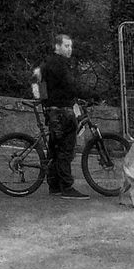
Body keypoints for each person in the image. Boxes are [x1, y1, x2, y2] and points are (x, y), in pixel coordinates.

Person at [31, 32, 89, 200]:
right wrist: (91, 95)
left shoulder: (46, 62)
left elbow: (35, 78)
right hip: (63, 111)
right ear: (57, 47)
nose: (70, 49)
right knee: (65, 149)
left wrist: (43, 100)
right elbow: (70, 86)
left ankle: (54, 185)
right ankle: (66, 187)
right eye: (66, 46)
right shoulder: (61, 64)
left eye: (71, 46)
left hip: (52, 110)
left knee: (55, 148)